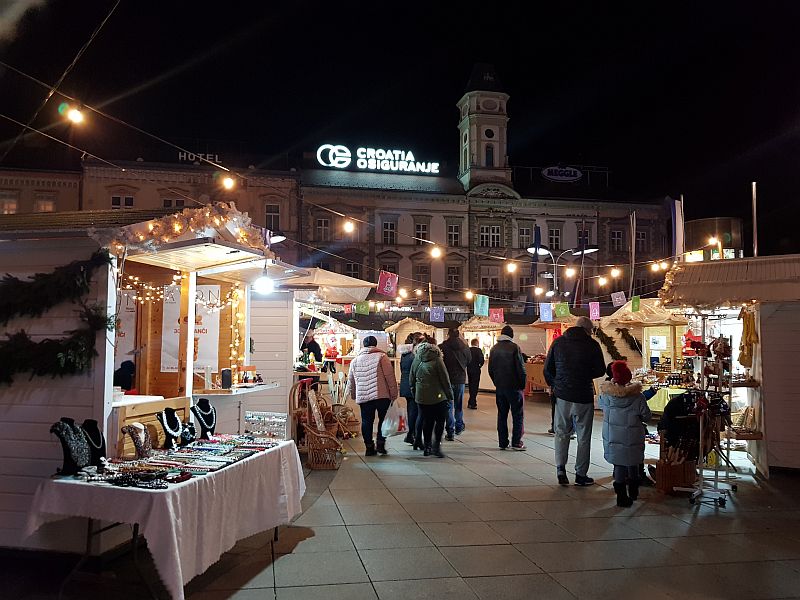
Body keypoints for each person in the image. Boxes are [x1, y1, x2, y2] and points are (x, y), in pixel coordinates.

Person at [544, 316, 606, 486]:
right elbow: (600, 370)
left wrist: (556, 384)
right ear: (588, 330)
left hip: (562, 395)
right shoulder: (592, 344)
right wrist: (584, 374)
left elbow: (548, 369)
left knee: (561, 433)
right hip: (583, 395)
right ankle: (581, 474)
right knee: (583, 437)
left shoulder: (558, 343)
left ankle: (560, 469)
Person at [598, 361, 652, 507]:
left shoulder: (606, 395)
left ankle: (621, 496)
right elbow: (647, 416)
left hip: (613, 435)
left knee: (619, 464)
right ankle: (634, 491)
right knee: (633, 462)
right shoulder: (638, 397)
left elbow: (601, 407)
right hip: (633, 436)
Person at [347, 335, 399, 456]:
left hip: (364, 397)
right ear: (376, 344)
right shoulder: (382, 357)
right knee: (383, 420)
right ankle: (380, 444)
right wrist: (394, 393)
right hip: (382, 396)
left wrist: (354, 395)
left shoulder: (355, 360)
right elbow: (390, 377)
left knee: (366, 421)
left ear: (363, 345)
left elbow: (351, 381)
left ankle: (369, 447)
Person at [410, 336, 453, 457]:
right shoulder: (437, 360)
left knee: (427, 421)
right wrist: (449, 396)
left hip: (422, 396)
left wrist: (416, 394)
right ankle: (436, 447)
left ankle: (427, 447)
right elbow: (445, 380)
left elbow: (411, 379)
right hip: (438, 396)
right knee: (440, 421)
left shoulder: (417, 359)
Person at [488, 325, 527, 451]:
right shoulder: (515, 347)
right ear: (511, 335)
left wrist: (497, 382)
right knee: (517, 415)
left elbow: (490, 369)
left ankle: (503, 442)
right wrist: (522, 385)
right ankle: (516, 442)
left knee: (502, 415)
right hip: (514, 387)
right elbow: (521, 368)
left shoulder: (494, 348)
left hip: (500, 387)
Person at [439, 328, 471, 439]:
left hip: (447, 380)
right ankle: (459, 426)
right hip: (460, 380)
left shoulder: (442, 347)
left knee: (448, 405)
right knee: (459, 405)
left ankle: (450, 431)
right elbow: (469, 360)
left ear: (448, 335)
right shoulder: (465, 347)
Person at [399, 332, 422, 449]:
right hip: (414, 385)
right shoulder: (415, 355)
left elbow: (402, 369)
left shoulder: (404, 354)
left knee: (411, 410)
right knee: (416, 412)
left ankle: (411, 434)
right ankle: (412, 435)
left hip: (405, 384)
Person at [467, 338, 485, 410]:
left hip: (469, 370)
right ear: (477, 343)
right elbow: (481, 360)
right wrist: (479, 366)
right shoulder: (478, 350)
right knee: (475, 386)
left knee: (470, 385)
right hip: (476, 370)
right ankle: (473, 403)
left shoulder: (468, 350)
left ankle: (470, 401)